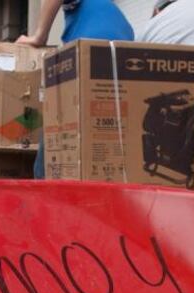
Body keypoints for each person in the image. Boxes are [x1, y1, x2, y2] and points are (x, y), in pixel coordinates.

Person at [17, 0, 134, 178]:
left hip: (91, 47)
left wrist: (38, 36)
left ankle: (44, 189)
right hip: (125, 50)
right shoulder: (103, 7)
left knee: (56, 126)